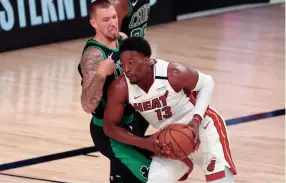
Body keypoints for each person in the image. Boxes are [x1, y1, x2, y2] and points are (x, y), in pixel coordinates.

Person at [103, 36, 237, 183]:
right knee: (156, 180)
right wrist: (143, 142)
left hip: (204, 128)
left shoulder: (172, 73)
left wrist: (196, 121)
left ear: (147, 60)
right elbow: (109, 127)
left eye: (131, 63)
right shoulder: (121, 87)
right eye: (123, 64)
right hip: (170, 138)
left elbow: (207, 83)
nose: (127, 69)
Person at [78, 1, 152, 182]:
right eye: (105, 19)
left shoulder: (123, 39)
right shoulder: (94, 55)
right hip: (108, 131)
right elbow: (87, 105)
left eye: (113, 17)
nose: (112, 22)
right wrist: (101, 74)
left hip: (131, 121)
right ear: (94, 23)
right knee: (153, 177)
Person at [111, 0, 151, 137]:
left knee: (147, 109)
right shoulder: (121, 3)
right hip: (124, 63)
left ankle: (135, 144)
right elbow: (110, 38)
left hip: (138, 60)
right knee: (129, 114)